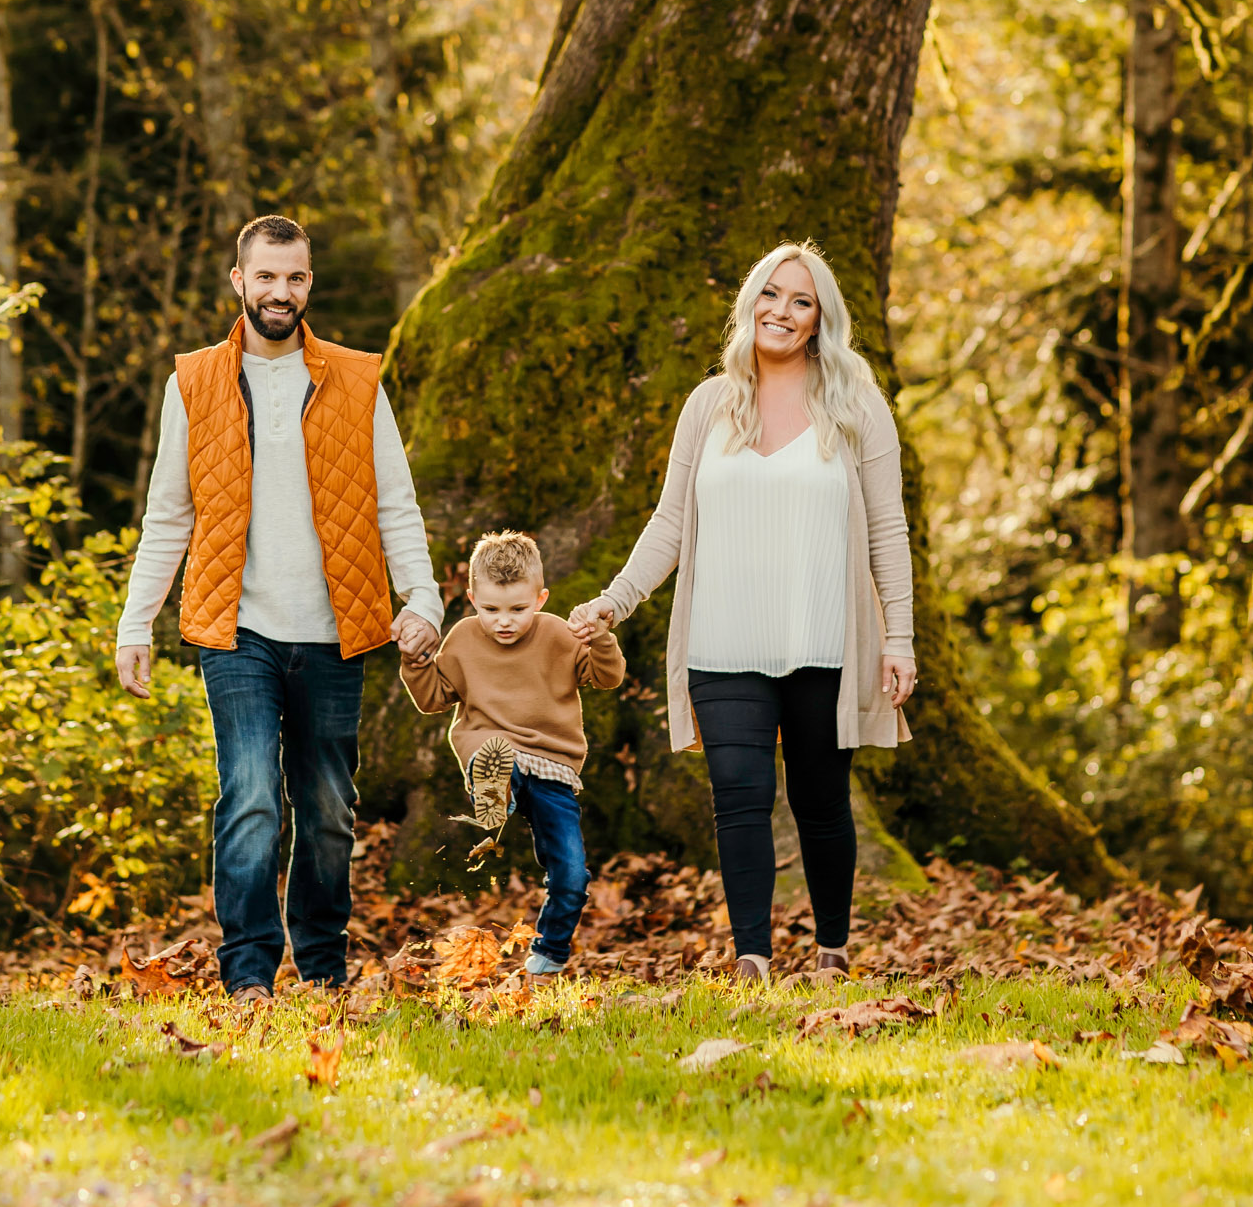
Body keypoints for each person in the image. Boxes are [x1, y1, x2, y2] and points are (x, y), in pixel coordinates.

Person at [115, 214, 443, 1001]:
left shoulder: (359, 381)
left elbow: (395, 505)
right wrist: (136, 620)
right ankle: (250, 974)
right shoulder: (192, 382)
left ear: (309, 285)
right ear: (239, 282)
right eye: (265, 276)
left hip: (336, 630)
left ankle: (323, 969)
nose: (280, 292)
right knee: (253, 794)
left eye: (294, 277)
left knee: (329, 811)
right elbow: (169, 514)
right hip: (237, 630)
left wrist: (423, 597)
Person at [570, 242, 915, 980]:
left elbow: (888, 527)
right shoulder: (710, 404)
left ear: (821, 318)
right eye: (770, 294)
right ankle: (753, 956)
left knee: (820, 800)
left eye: (800, 301)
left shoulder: (855, 402)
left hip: (825, 638)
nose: (781, 312)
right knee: (740, 797)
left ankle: (831, 949)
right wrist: (616, 598)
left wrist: (900, 638)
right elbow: (669, 522)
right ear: (748, 302)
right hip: (721, 640)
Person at [400, 530, 625, 978]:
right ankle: (493, 790)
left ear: (541, 598)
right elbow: (434, 699)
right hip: (490, 745)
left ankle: (549, 954)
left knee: (573, 875)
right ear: (471, 598)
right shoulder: (463, 638)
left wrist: (600, 639)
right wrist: (415, 663)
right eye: (491, 609)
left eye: (518, 609)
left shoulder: (560, 634)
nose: (504, 621)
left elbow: (607, 677)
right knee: (495, 751)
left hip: (553, 765)